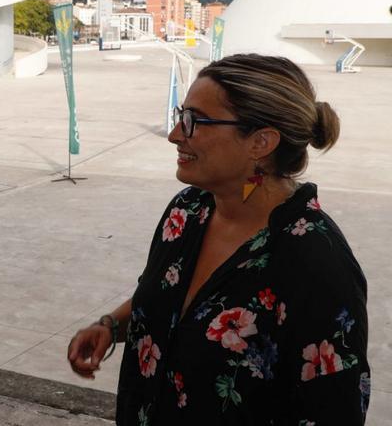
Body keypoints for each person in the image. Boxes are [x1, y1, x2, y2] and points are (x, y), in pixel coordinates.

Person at [68, 54, 370, 424]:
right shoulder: (187, 212)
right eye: (182, 115)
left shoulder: (314, 262)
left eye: (194, 121)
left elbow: (331, 411)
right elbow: (169, 296)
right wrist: (110, 325)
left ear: (260, 142)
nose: (175, 134)